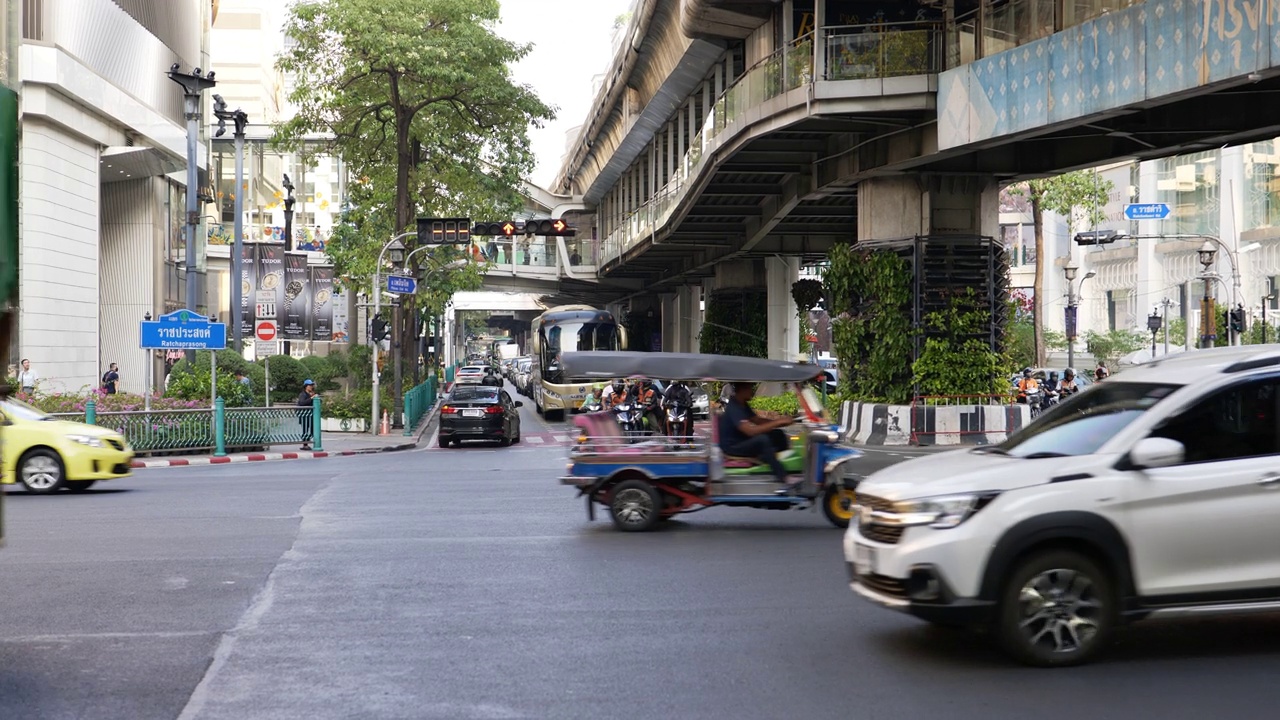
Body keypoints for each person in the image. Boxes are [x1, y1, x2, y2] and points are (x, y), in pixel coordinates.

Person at [719, 382, 796, 495]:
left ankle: (772, 460)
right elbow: (750, 431)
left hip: (741, 440)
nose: (752, 391)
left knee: (778, 434)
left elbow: (757, 420)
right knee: (762, 440)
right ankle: (783, 476)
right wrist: (778, 422)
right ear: (742, 389)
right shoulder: (734, 407)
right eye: (750, 388)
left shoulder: (742, 404)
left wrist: (780, 423)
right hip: (732, 447)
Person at [297, 379, 317, 451]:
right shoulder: (302, 394)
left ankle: (308, 441)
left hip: (310, 415)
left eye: (312, 385)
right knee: (305, 430)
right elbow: (302, 403)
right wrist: (311, 398)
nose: (311, 387)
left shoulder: (311, 394)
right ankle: (305, 444)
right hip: (304, 415)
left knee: (312, 429)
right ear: (306, 386)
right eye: (310, 385)